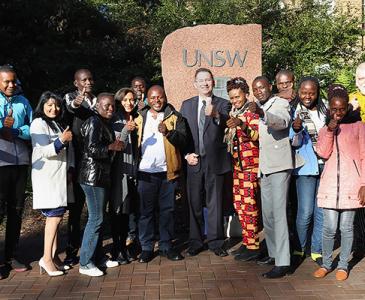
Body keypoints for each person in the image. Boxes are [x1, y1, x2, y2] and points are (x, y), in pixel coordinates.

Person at [249, 76, 301, 278]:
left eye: (262, 87)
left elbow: (282, 123)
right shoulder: (259, 105)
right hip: (265, 166)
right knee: (268, 215)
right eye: (256, 88)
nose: (259, 91)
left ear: (269, 87)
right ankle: (272, 253)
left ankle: (283, 261)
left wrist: (262, 113)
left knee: (278, 215)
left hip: (280, 165)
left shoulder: (280, 103)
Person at [313, 84, 365, 281]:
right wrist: (329, 131)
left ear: (347, 107)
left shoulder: (358, 126)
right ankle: (326, 264)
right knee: (328, 228)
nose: (338, 113)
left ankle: (343, 265)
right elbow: (323, 152)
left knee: (347, 228)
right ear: (329, 109)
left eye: (342, 108)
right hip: (330, 186)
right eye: (334, 109)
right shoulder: (326, 127)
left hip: (352, 185)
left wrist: (364, 183)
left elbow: (363, 155)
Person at [180, 68, 231, 257]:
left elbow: (227, 122)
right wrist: (186, 154)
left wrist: (216, 114)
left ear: (213, 82)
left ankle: (216, 241)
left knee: (214, 203)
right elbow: (182, 134)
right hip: (194, 161)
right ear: (195, 83)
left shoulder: (223, 104)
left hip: (215, 161)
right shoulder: (186, 105)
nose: (204, 83)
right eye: (200, 80)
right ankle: (195, 241)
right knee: (194, 202)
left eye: (207, 80)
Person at [135, 85, 187, 263]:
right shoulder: (139, 118)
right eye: (153, 97)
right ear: (147, 100)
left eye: (160, 97)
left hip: (168, 172)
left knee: (168, 210)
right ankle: (147, 248)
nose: (156, 100)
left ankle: (166, 246)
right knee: (145, 212)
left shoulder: (175, 116)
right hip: (145, 173)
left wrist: (168, 132)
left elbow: (184, 140)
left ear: (165, 97)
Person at [78, 93, 124, 276]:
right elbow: (90, 149)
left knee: (99, 218)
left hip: (99, 176)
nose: (110, 109)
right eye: (106, 106)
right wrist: (111, 147)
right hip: (92, 177)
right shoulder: (93, 122)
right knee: (95, 219)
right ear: (97, 105)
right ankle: (85, 262)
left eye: (113, 106)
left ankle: (96, 257)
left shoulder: (103, 122)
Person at [30, 92, 74, 277]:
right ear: (42, 105)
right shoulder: (38, 123)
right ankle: (46, 258)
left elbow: (67, 149)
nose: (53, 108)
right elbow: (43, 151)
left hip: (60, 177)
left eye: (56, 105)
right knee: (54, 218)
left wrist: (70, 169)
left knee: (58, 216)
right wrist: (61, 141)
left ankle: (54, 257)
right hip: (47, 178)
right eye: (49, 105)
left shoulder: (56, 123)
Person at [290, 77, 327, 265]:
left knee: (320, 211)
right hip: (305, 167)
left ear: (317, 92)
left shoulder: (324, 110)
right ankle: (299, 249)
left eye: (311, 92)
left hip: (326, 165)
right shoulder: (294, 111)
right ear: (298, 92)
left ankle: (316, 250)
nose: (307, 96)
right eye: (304, 92)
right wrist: (296, 130)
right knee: (305, 212)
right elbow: (293, 143)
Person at [0, 65, 33, 276]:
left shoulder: (23, 101)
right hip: (0, 163)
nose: (11, 85)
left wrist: (18, 131)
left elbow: (34, 127)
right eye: (6, 82)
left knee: (16, 210)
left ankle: (11, 256)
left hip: (20, 162)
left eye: (13, 81)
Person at [224, 77, 260, 261]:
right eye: (232, 98)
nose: (235, 100)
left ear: (245, 94)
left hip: (250, 166)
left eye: (238, 96)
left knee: (249, 205)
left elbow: (255, 136)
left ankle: (254, 247)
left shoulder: (252, 113)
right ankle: (247, 242)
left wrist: (242, 125)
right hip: (238, 167)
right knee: (240, 206)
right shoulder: (233, 113)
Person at [63, 69, 96, 266]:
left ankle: (94, 250)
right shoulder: (71, 97)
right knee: (75, 211)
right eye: (84, 80)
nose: (88, 82)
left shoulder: (98, 99)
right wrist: (78, 100)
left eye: (91, 79)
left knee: (96, 211)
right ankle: (71, 251)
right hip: (77, 164)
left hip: (96, 163)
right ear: (76, 83)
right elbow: (72, 107)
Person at [110, 88, 139, 264]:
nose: (129, 103)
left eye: (132, 99)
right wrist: (126, 130)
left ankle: (127, 247)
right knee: (118, 212)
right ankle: (117, 249)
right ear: (119, 101)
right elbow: (117, 144)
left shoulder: (136, 117)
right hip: (118, 172)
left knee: (129, 212)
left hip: (133, 171)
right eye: (126, 100)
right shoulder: (114, 119)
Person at [349, 62, 365, 257]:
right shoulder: (352, 98)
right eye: (360, 78)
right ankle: (360, 242)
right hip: (358, 157)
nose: (362, 82)